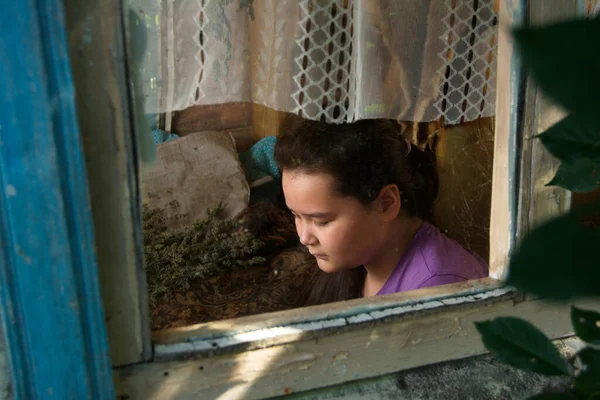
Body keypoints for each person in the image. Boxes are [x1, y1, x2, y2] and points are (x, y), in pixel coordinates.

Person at [274, 119, 488, 305]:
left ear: (386, 203)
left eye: (321, 221)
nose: (304, 237)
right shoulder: (358, 257)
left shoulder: (437, 289)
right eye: (296, 216)